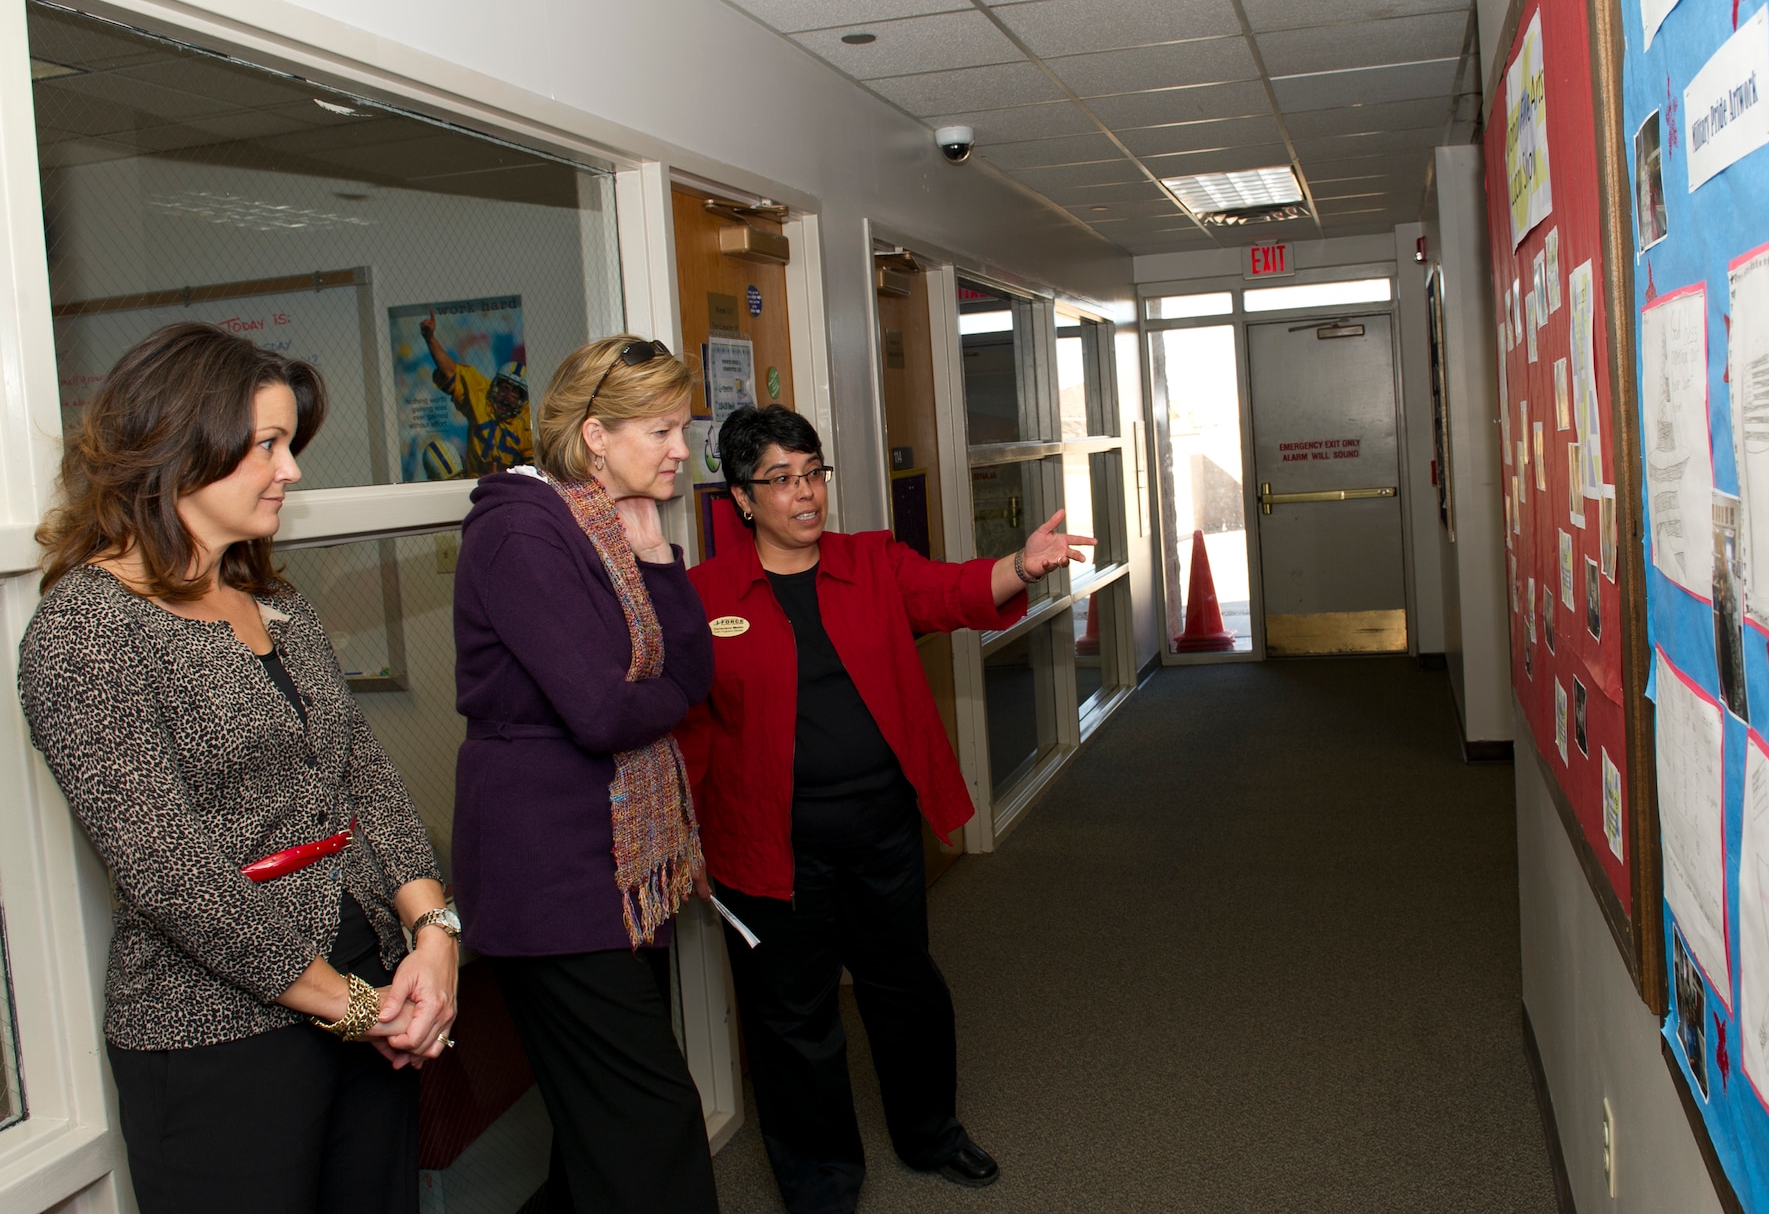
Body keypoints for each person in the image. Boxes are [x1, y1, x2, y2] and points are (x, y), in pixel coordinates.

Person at [17, 322, 456, 1213]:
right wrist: (359, 1009)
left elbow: (362, 776)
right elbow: (169, 874)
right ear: (179, 448)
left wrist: (436, 936)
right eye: (267, 445)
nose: (290, 470)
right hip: (217, 1035)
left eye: (289, 444)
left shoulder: (273, 604)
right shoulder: (84, 631)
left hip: (364, 974)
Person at [679, 404, 1093, 1214]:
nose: (805, 495)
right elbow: (687, 731)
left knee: (904, 988)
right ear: (742, 498)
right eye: (782, 479)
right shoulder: (704, 597)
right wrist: (686, 840)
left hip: (879, 831)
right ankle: (821, 1178)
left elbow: (953, 591)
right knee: (791, 1020)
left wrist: (1023, 563)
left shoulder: (870, 562)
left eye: (814, 473)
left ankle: (930, 1132)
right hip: (769, 847)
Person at [450, 335, 717, 1213]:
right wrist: (669, 691)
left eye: (682, 429)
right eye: (663, 430)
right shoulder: (521, 529)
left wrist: (654, 557)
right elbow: (604, 710)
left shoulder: (608, 525)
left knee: (606, 1132)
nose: (682, 449)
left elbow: (692, 672)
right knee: (650, 1124)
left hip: (614, 863)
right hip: (550, 878)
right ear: (595, 435)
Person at [421, 312, 533, 474]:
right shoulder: (481, 393)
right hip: (472, 483)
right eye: (504, 388)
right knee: (437, 453)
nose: (507, 395)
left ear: (523, 399)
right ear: (495, 386)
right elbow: (449, 371)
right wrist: (430, 338)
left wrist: (503, 471)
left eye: (515, 392)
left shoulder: (527, 421)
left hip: (510, 487)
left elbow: (532, 471)